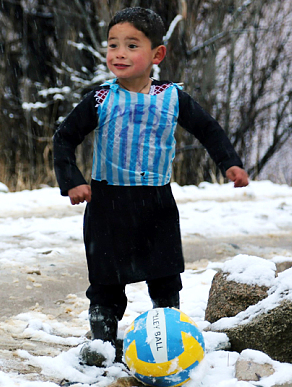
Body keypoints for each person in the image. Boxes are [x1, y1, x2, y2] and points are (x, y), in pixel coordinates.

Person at [52, 6, 249, 366]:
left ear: (157, 54)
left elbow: (208, 130)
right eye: (113, 45)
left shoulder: (172, 98)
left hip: (156, 201)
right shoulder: (100, 99)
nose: (119, 54)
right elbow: (64, 137)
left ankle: (169, 336)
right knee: (106, 281)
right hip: (107, 203)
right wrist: (72, 181)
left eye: (131, 45)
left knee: (164, 274)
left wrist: (230, 163)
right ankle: (103, 342)